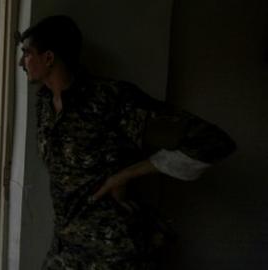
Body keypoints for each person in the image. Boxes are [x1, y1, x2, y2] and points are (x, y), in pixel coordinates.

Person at [18, 15, 236, 270]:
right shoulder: (44, 103)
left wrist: (125, 175)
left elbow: (211, 141)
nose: (22, 62)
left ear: (48, 58)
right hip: (67, 247)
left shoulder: (109, 100)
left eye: (27, 53)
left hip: (114, 252)